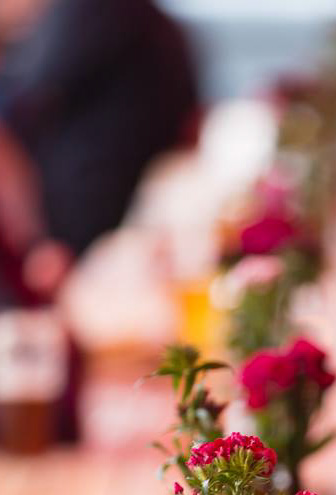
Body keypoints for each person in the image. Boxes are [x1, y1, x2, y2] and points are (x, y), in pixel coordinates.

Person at [0, 0, 197, 306]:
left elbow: (26, 94)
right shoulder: (151, 19)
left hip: (92, 229)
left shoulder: (94, 10)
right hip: (117, 219)